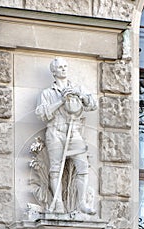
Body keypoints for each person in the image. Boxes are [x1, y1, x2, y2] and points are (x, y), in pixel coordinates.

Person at [35, 57, 97, 214]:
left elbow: (93, 104)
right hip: (55, 132)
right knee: (56, 168)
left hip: (73, 131)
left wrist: (79, 95)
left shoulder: (77, 88)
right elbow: (43, 114)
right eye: (60, 67)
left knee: (83, 166)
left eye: (65, 66)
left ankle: (82, 202)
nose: (63, 69)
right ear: (54, 71)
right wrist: (61, 101)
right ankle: (58, 203)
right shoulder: (47, 93)